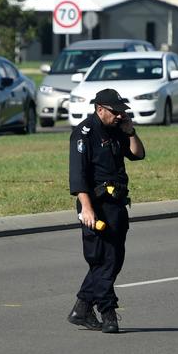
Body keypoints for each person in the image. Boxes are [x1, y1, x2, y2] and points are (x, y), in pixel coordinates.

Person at [67, 88, 146, 333]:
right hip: (95, 204)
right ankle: (108, 311)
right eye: (115, 111)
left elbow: (138, 154)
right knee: (102, 260)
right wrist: (87, 209)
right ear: (100, 109)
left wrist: (130, 131)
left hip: (117, 204)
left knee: (114, 259)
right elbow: (78, 175)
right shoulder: (83, 133)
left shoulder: (116, 130)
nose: (119, 115)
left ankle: (81, 308)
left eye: (122, 111)